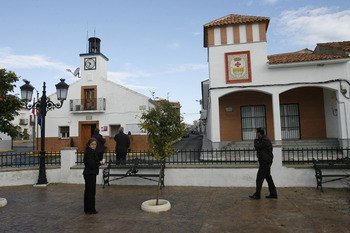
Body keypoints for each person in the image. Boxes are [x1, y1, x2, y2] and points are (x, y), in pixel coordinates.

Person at [249, 128, 277, 200]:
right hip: (266, 160)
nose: (256, 134)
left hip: (265, 161)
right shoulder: (264, 139)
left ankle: (257, 195)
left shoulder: (264, 140)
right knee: (268, 177)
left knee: (259, 178)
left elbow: (257, 147)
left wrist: (255, 140)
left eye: (256, 132)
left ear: (259, 133)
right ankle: (273, 193)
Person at [83, 138, 105, 214]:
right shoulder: (90, 153)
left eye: (95, 144)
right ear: (89, 144)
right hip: (90, 174)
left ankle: (88, 209)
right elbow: (92, 165)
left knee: (89, 191)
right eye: (92, 144)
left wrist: (98, 162)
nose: (94, 146)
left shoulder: (91, 152)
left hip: (90, 173)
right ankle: (91, 209)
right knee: (91, 192)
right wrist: (100, 163)